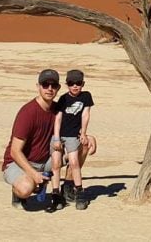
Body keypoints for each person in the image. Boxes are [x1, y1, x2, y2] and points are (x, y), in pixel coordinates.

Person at [2, 69, 62, 209]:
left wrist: (87, 137)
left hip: (45, 161)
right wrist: (34, 174)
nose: (49, 89)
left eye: (53, 85)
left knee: (80, 147)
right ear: (38, 86)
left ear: (58, 88)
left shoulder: (58, 110)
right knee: (26, 188)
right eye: (45, 85)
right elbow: (15, 151)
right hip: (19, 163)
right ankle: (17, 192)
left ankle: (68, 189)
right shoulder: (28, 112)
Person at [48, 69, 95, 211]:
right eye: (71, 83)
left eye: (78, 83)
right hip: (59, 135)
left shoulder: (86, 97)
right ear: (67, 84)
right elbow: (58, 119)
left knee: (74, 162)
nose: (75, 86)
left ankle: (79, 191)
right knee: (55, 164)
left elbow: (85, 115)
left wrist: (84, 133)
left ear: (83, 84)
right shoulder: (63, 99)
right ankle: (56, 194)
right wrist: (56, 138)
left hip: (73, 136)